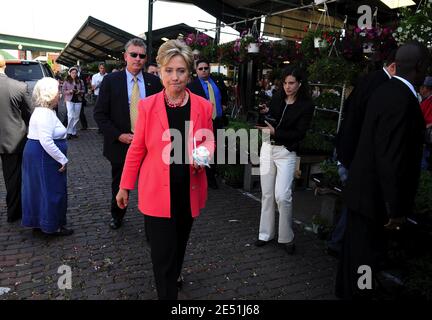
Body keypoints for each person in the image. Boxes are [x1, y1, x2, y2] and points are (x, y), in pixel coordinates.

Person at [116, 39, 214, 300]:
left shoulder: (203, 106)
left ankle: (174, 275)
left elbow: (208, 139)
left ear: (189, 73)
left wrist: (204, 154)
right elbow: (137, 149)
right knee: (162, 256)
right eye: (169, 70)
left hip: (188, 191)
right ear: (159, 71)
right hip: (156, 194)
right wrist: (125, 185)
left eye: (181, 71)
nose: (175, 77)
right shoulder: (147, 106)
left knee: (178, 247)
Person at [336, 41, 431, 299]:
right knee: (366, 259)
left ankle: (347, 291)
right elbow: (391, 157)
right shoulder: (403, 100)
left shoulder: (383, 90)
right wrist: (395, 208)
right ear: (420, 67)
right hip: (375, 199)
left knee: (354, 255)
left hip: (362, 190)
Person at [327, 50, 397, 257]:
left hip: (347, 150)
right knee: (357, 203)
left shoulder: (368, 80)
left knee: (352, 201)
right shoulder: (383, 85)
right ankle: (344, 245)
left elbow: (350, 110)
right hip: (356, 154)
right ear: (393, 66)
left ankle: (340, 242)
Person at [93, 38, 163, 230]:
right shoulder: (110, 81)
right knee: (120, 183)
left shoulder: (154, 82)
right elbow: (99, 114)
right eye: (133, 55)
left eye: (141, 56)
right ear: (125, 56)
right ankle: (117, 215)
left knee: (151, 185)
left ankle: (153, 221)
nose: (137, 59)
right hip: (121, 144)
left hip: (149, 145)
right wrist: (119, 136)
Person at [254, 66, 314, 254]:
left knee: (282, 195)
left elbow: (299, 134)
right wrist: (263, 114)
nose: (287, 87)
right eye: (285, 83)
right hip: (267, 149)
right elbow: (268, 122)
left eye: (292, 83)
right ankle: (265, 234)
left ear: (299, 84)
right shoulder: (277, 98)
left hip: (286, 152)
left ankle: (287, 237)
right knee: (267, 194)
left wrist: (275, 132)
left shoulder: (306, 106)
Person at [21, 77, 72, 236]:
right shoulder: (44, 113)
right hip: (44, 155)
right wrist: (62, 159)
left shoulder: (44, 111)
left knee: (38, 189)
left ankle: (40, 221)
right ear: (50, 94)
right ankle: (52, 225)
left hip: (40, 153)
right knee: (51, 190)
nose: (60, 94)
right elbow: (46, 141)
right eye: (58, 91)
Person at [0, 55, 32, 223]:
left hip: (10, 140)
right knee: (13, 178)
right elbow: (30, 114)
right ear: (5, 66)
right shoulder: (19, 87)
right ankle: (14, 212)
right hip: (14, 140)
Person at [188, 59, 228, 189]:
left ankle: (212, 174)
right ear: (196, 70)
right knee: (203, 149)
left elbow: (224, 95)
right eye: (201, 69)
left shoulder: (217, 82)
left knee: (216, 149)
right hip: (203, 123)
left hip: (217, 120)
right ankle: (206, 178)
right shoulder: (192, 86)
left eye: (206, 68)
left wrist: (224, 105)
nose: (204, 70)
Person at [62, 66, 85, 139]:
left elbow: (84, 90)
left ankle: (73, 132)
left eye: (75, 73)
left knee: (76, 117)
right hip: (69, 100)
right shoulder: (66, 81)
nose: (74, 74)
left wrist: (79, 91)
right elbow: (63, 91)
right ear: (70, 73)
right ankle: (69, 132)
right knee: (70, 116)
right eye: (73, 73)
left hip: (78, 100)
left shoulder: (80, 81)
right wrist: (69, 91)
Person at [419, 76, 432, 170]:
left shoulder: (429, 101)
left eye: (422, 87)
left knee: (424, 164)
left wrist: (426, 126)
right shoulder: (425, 101)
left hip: (426, 136)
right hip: (425, 135)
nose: (421, 90)